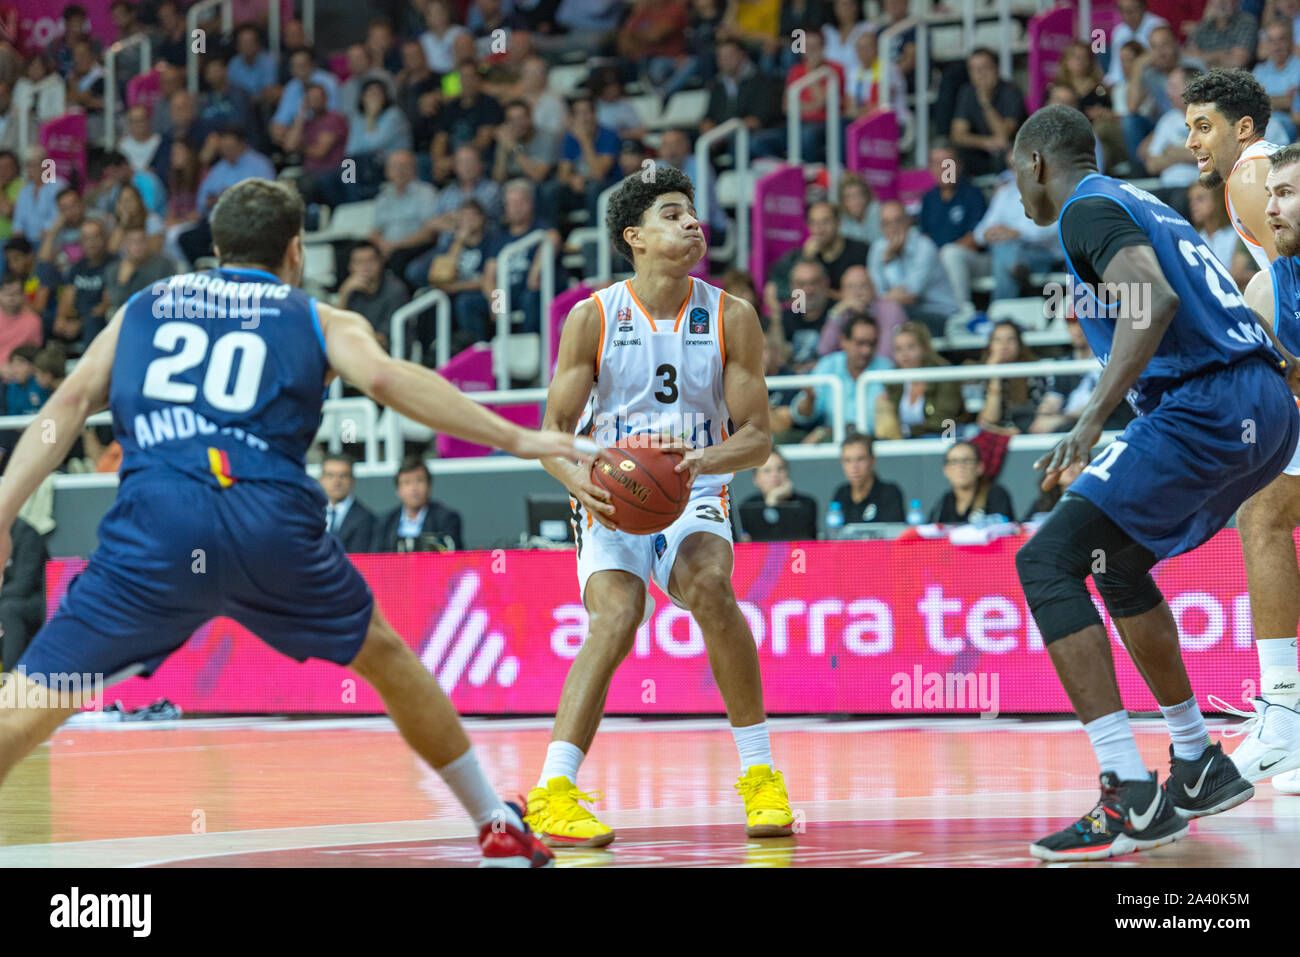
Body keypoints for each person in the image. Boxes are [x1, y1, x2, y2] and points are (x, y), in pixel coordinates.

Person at [0, 176, 599, 866]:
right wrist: (518, 438)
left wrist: (5, 509)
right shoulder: (317, 316)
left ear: (217, 249)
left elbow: (68, 403)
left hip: (157, 522)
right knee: (385, 655)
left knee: (34, 698)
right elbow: (383, 380)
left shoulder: (142, 307)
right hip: (269, 521)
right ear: (295, 251)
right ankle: (492, 816)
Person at [1010, 105, 1299, 861]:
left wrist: (1090, 418)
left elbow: (1153, 300)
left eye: (1016, 173)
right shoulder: (1143, 201)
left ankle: (1127, 791)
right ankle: (1198, 762)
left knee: (1044, 562)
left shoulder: (1084, 209)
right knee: (1117, 562)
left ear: (1037, 164)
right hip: (1261, 400)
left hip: (1207, 403)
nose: (1017, 190)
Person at [529, 165, 793, 847]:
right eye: (672, 214)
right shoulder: (592, 317)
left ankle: (761, 776)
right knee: (617, 616)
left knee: (709, 584)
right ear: (634, 236)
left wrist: (708, 459)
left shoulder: (733, 315)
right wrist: (577, 479)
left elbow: (759, 437)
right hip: (611, 488)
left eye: (692, 213)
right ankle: (554, 790)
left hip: (695, 483)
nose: (690, 222)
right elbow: (551, 436)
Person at [1218, 146, 1300, 788]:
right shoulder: (1272, 280)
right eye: (1269, 194)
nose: (1271, 207)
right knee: (1264, 509)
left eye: (1287, 194)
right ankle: (1285, 706)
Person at [1184, 69, 1281, 270]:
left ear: (1244, 128)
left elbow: (1292, 278)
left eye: (1204, 128)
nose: (1190, 143)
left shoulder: (1248, 176)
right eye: (1189, 129)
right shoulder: (1266, 160)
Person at [790, 311, 892, 439]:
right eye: (860, 343)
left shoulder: (887, 368)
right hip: (833, 440)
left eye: (871, 344)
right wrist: (810, 399)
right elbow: (801, 416)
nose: (867, 350)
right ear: (844, 341)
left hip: (876, 442)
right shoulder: (828, 365)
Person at [868, 201, 960, 337]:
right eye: (886, 223)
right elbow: (874, 291)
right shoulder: (877, 248)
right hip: (901, 311)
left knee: (890, 314)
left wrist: (890, 261)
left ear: (908, 221)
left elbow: (908, 295)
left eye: (897, 221)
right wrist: (883, 299)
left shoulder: (924, 247)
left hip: (939, 314)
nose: (892, 228)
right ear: (881, 227)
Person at [873, 321, 966, 439]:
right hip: (906, 439)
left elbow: (944, 420)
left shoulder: (943, 374)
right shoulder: (893, 379)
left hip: (943, 434)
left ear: (924, 348)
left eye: (911, 347)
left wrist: (908, 431)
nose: (904, 354)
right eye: (898, 349)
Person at [950, 48, 1026, 179]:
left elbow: (1003, 136)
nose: (980, 74)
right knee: (949, 159)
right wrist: (986, 143)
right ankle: (950, 195)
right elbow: (957, 135)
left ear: (996, 68)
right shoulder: (967, 92)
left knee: (1003, 152)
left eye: (984, 67)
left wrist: (986, 103)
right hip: (983, 148)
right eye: (974, 69)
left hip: (1010, 152)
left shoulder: (1011, 92)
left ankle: (1001, 189)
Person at [337, 241, 408, 351]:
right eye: (359, 262)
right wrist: (344, 293)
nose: (366, 266)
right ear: (350, 267)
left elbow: (383, 339)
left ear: (381, 261)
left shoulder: (396, 290)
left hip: (387, 355)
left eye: (371, 260)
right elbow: (335, 327)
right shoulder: (351, 289)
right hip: (358, 350)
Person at [737, 449, 818, 541]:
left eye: (780, 469)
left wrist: (774, 501)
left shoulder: (805, 504)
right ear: (756, 479)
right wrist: (771, 502)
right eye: (767, 471)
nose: (775, 475)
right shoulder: (747, 507)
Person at [928, 440, 1014, 523]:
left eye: (967, 461)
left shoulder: (996, 494)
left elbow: (1005, 530)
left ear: (979, 467)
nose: (960, 467)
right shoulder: (945, 501)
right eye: (954, 461)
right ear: (945, 470)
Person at [0, 516, 44, 671]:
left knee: (8, 610)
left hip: (38, 599)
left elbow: (23, 585)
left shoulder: (25, 534)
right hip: (8, 597)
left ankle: (10, 677)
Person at [830, 432, 905, 523]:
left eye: (860, 459)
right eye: (848, 460)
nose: (854, 467)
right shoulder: (841, 493)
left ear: (872, 460)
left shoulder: (889, 492)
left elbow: (894, 533)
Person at [320, 453, 376, 553]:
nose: (336, 481)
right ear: (321, 480)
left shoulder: (366, 519)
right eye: (330, 475)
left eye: (343, 476)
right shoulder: (309, 514)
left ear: (352, 480)